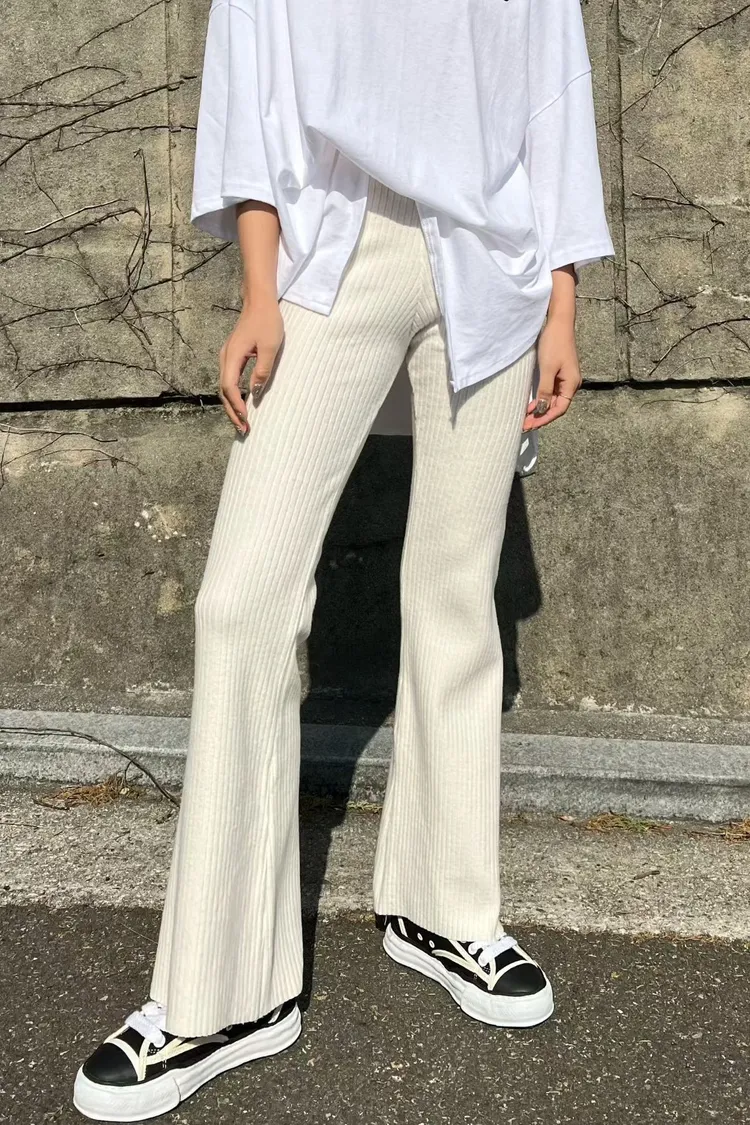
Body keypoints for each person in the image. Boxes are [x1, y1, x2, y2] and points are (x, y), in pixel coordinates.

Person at [73, 0, 614, 1118]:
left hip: (495, 264)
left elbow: (553, 89)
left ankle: (445, 908)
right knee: (243, 603)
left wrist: (562, 300)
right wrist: (257, 289)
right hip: (332, 249)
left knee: (457, 593)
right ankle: (222, 993)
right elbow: (251, 83)